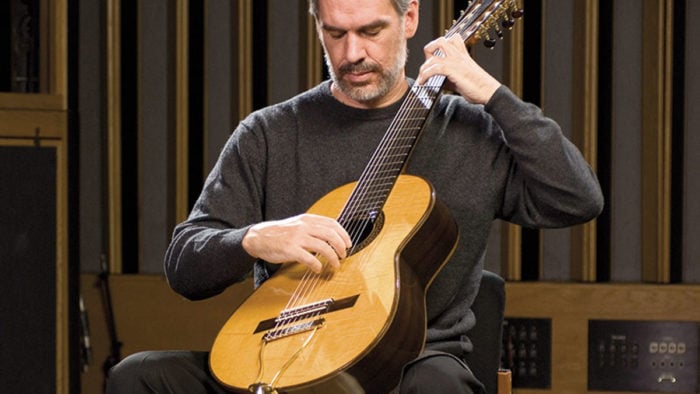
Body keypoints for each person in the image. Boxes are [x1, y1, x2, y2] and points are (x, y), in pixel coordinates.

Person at [106, 0, 603, 393]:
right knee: (139, 376)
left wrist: (493, 95)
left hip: (406, 368)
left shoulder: (472, 133)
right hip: (278, 357)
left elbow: (578, 199)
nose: (352, 54)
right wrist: (255, 239)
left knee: (438, 384)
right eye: (335, 33)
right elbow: (183, 267)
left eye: (370, 31)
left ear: (409, 18)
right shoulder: (269, 134)